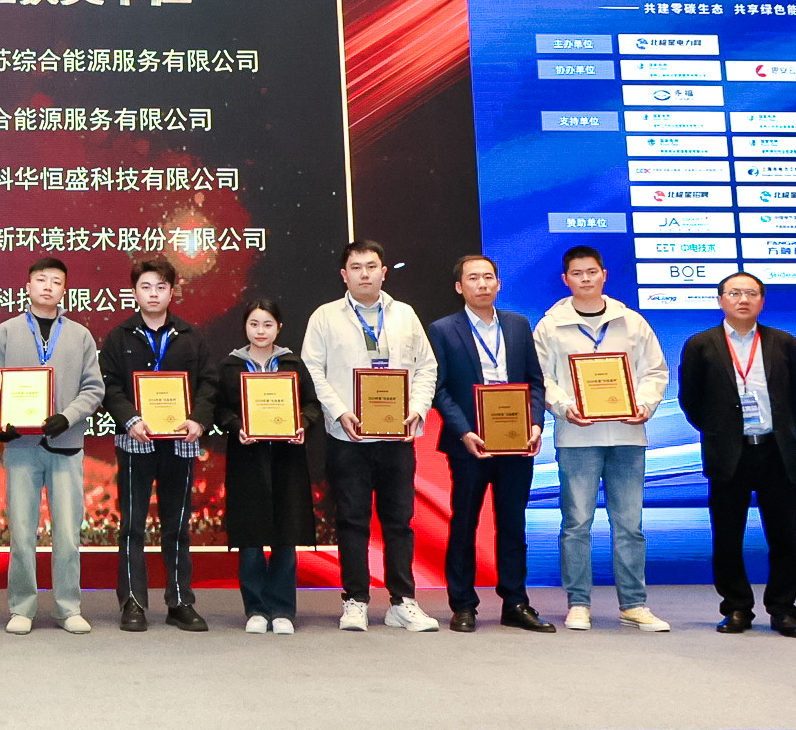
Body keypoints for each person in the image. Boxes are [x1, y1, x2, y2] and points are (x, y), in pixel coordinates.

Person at [302, 239, 440, 633]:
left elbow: (427, 367)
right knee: (351, 520)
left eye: (371, 266)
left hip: (398, 438)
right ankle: (355, 600)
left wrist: (417, 409)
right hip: (348, 438)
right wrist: (339, 411)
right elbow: (313, 370)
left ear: (384, 272)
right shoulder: (325, 317)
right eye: (356, 267)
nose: (365, 274)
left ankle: (402, 602)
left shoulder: (405, 315)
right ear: (344, 275)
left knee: (399, 522)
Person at [532, 244, 671, 632]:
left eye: (592, 272)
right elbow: (541, 377)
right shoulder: (550, 326)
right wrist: (564, 406)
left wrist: (644, 404)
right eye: (577, 274)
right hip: (577, 436)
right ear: (566, 279)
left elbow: (655, 371)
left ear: (604, 275)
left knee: (630, 525)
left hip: (627, 434)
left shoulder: (632, 322)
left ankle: (634, 604)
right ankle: (578, 602)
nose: (586, 279)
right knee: (576, 523)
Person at [675, 271, 796, 637]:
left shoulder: (784, 342)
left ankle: (783, 610)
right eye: (734, 293)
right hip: (728, 453)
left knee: (785, 536)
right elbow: (691, 400)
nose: (743, 299)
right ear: (721, 299)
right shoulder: (700, 344)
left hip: (776, 452)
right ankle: (736, 608)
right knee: (727, 536)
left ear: (761, 301)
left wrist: (779, 429)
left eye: (751, 293)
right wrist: (720, 433)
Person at [427, 253, 554, 634]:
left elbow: (534, 381)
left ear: (499, 283)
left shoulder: (518, 325)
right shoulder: (442, 329)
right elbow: (439, 388)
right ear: (459, 287)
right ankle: (463, 604)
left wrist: (535, 423)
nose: (482, 284)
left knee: (513, 524)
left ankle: (516, 602)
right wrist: (464, 431)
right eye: (473, 278)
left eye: (488, 277)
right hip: (469, 443)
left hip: (516, 442)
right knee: (464, 523)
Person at [0, 256, 104, 635]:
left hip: (66, 445)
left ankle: (68, 607)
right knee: (22, 532)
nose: (48, 286)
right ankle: (22, 607)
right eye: (41, 279)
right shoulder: (6, 332)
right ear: (28, 286)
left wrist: (67, 417)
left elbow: (94, 388)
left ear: (64, 289)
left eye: (55, 281)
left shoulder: (80, 335)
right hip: (21, 446)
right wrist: (0, 420)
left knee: (67, 533)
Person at [98, 259, 214, 632]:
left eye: (161, 287)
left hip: (180, 443)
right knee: (132, 526)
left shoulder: (191, 336)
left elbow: (208, 384)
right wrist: (130, 419)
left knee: (177, 526)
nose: (153, 294)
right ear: (134, 292)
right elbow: (109, 386)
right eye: (146, 287)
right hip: (135, 441)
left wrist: (198, 420)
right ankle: (132, 602)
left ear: (172, 292)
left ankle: (180, 602)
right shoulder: (119, 336)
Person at [213, 297, 319, 634]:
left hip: (287, 458)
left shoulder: (293, 364)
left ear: (279, 327)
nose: (261, 331)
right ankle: (256, 609)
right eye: (254, 324)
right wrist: (237, 428)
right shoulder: (230, 366)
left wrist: (302, 424)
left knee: (286, 534)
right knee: (251, 535)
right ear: (245, 327)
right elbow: (220, 409)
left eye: (268, 324)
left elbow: (312, 405)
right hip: (247, 459)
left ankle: (283, 609)